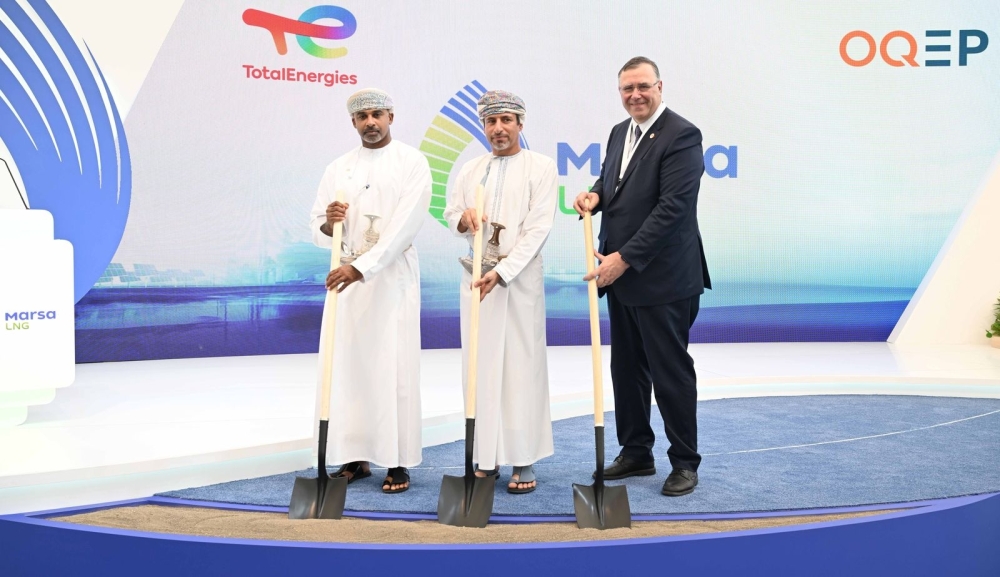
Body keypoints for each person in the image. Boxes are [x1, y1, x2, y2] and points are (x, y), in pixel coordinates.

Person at [574, 57, 711, 496]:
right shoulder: (620, 132)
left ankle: (685, 463)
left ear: (659, 86)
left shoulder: (682, 134)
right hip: (623, 277)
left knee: (669, 372)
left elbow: (673, 209)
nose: (635, 95)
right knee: (627, 370)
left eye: (642, 87)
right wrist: (594, 193)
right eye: (626, 89)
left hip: (664, 277)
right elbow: (615, 181)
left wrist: (623, 259)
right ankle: (636, 453)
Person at [308, 88, 432, 494]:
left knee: (392, 367)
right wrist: (329, 223)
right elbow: (318, 227)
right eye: (362, 117)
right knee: (347, 367)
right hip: (345, 280)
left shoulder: (412, 162)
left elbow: (405, 226)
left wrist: (361, 267)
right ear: (353, 123)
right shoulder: (337, 167)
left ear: (391, 116)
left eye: (377, 114)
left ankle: (396, 461)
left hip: (389, 278)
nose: (370, 122)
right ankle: (354, 456)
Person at [443, 90, 558, 494]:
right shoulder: (471, 168)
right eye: (491, 122)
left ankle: (523, 457)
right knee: (480, 365)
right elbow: (451, 211)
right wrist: (463, 219)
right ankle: (484, 455)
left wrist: (504, 271)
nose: (498, 129)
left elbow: (539, 228)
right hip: (475, 278)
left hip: (519, 280)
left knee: (521, 367)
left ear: (520, 124)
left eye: (506, 120)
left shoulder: (541, 167)